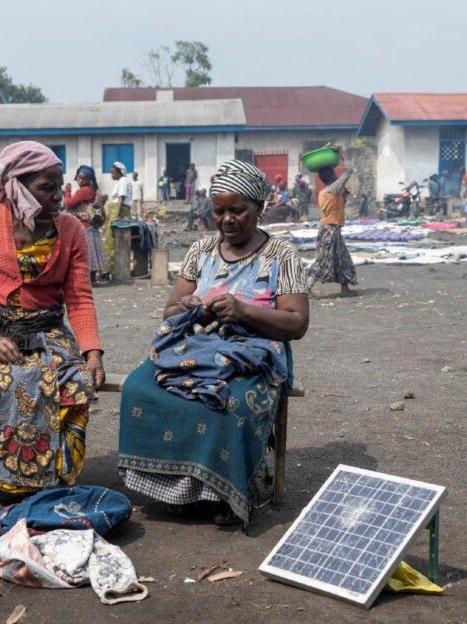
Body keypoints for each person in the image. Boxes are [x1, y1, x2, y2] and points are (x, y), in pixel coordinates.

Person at [117, 159, 310, 526]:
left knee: (230, 402)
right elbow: (170, 310)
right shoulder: (201, 250)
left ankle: (225, 490)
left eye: (238, 210)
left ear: (260, 208)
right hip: (196, 345)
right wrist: (188, 305)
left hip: (256, 352)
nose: (227, 220)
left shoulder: (281, 254)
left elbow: (297, 323)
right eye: (219, 211)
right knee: (141, 388)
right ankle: (177, 487)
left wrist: (243, 311)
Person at [0, 141, 105, 509]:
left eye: (60, 186)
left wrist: (92, 353)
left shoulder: (71, 229)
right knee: (2, 380)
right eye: (47, 188)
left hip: (46, 331)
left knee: (73, 381)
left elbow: (79, 297)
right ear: (16, 186)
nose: (59, 196)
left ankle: (46, 478)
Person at [307, 163, 356, 297]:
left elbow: (339, 204)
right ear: (332, 176)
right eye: (334, 174)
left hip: (332, 228)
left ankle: (345, 288)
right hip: (330, 229)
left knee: (342, 258)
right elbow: (348, 173)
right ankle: (307, 287)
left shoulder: (325, 192)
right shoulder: (332, 189)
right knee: (324, 260)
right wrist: (342, 157)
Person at [63, 165, 109, 282]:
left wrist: (67, 192)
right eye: (79, 178)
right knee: (91, 254)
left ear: (89, 179)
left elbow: (69, 203)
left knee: (85, 254)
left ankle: (86, 280)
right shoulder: (92, 189)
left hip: (84, 226)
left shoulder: (84, 191)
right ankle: (91, 279)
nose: (80, 180)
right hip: (91, 226)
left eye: (83, 178)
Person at [103, 162, 133, 272]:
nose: (111, 174)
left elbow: (121, 198)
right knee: (115, 241)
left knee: (110, 241)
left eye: (113, 172)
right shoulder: (123, 181)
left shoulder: (123, 181)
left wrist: (115, 216)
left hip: (118, 210)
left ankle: (107, 269)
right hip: (117, 209)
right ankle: (112, 267)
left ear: (119, 172)